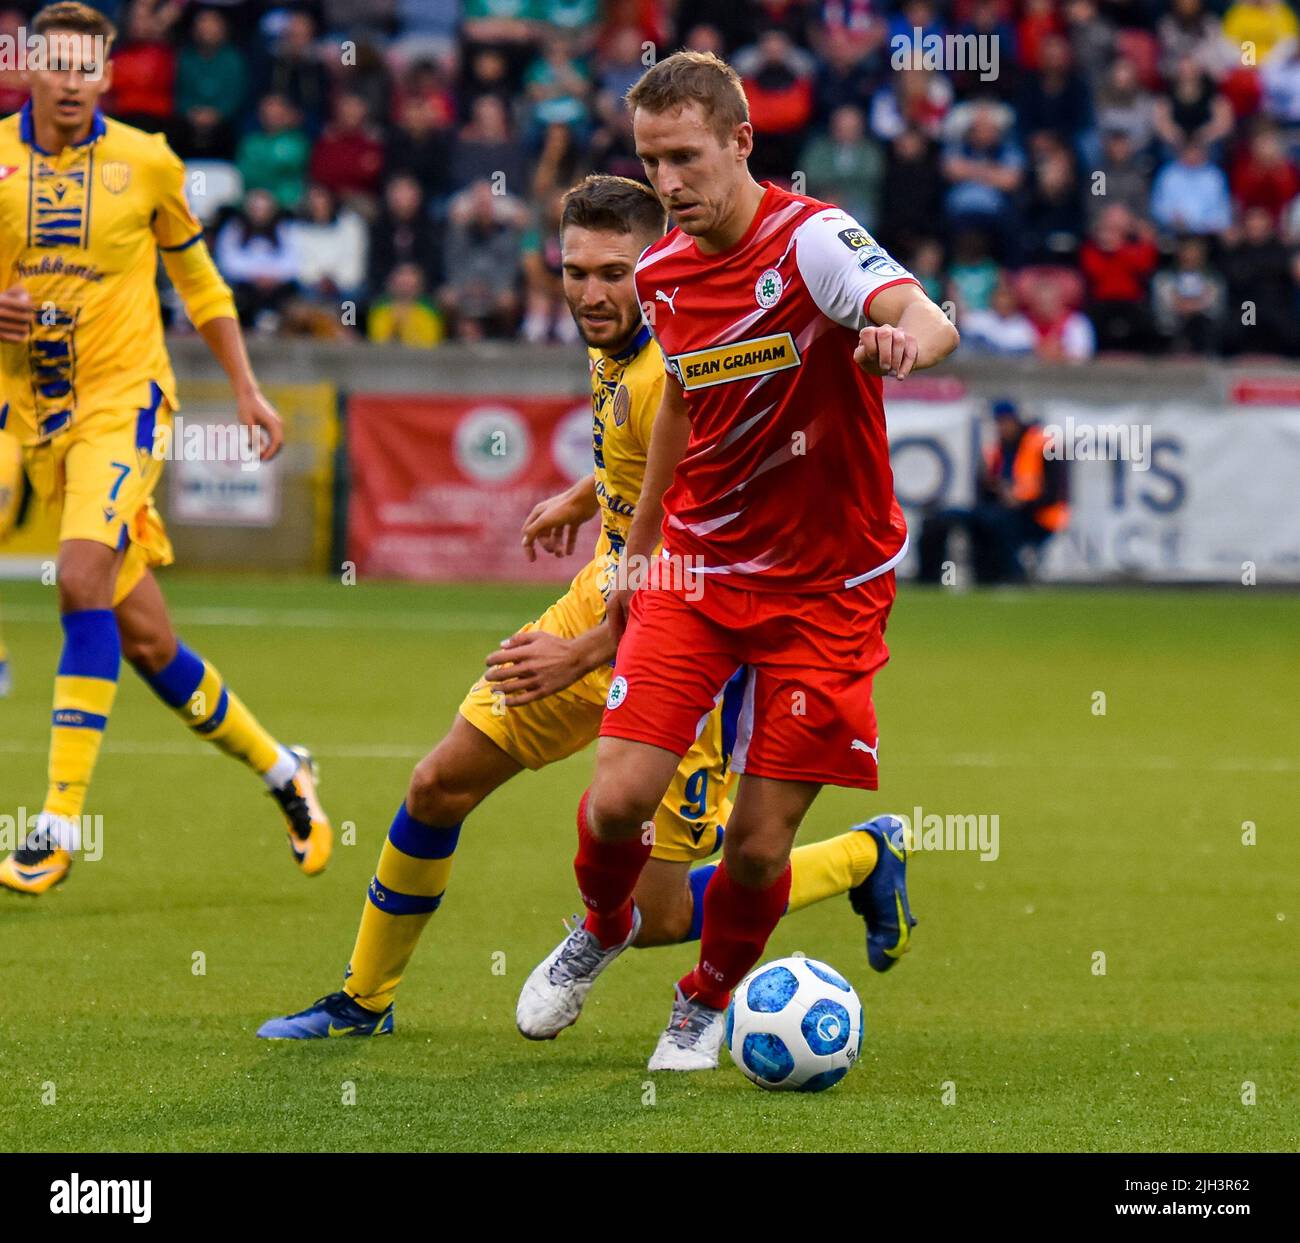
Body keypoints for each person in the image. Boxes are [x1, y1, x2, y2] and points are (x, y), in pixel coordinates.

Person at [256, 174, 905, 1040]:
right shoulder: (620, 342)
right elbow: (648, 464)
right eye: (575, 271)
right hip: (605, 591)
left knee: (662, 914)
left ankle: (861, 856)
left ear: (657, 266)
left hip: (683, 620)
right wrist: (586, 492)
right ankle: (361, 999)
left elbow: (699, 536)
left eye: (613, 274)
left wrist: (597, 649)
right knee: (438, 782)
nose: (592, 294)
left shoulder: (683, 360)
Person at [517, 51, 959, 1071]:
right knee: (619, 795)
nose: (666, 184)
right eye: (648, 160)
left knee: (757, 844)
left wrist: (902, 347)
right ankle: (604, 923)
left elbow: (923, 315)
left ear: (739, 142)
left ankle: (706, 994)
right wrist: (633, 551)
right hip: (700, 568)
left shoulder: (812, 244)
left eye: (683, 157)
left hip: (825, 588)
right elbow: (679, 399)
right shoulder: (664, 274)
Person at [0, 3, 332, 894]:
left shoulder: (147, 161)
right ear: (29, 66)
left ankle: (57, 823)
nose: (71, 80)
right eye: (56, 63)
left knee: (77, 580)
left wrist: (251, 389)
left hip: (122, 403)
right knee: (146, 640)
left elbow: (200, 281)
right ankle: (282, 769)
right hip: (21, 406)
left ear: (108, 75)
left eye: (87, 66)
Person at [918, 399, 1069, 585]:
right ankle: (931, 579)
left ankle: (1014, 577)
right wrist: (996, 490)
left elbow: (1054, 492)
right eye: (999, 422)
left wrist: (1019, 501)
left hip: (1038, 517)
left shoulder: (1042, 445)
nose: (1002, 427)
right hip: (1002, 512)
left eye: (1006, 421)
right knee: (943, 519)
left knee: (996, 524)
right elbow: (984, 492)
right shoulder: (995, 451)